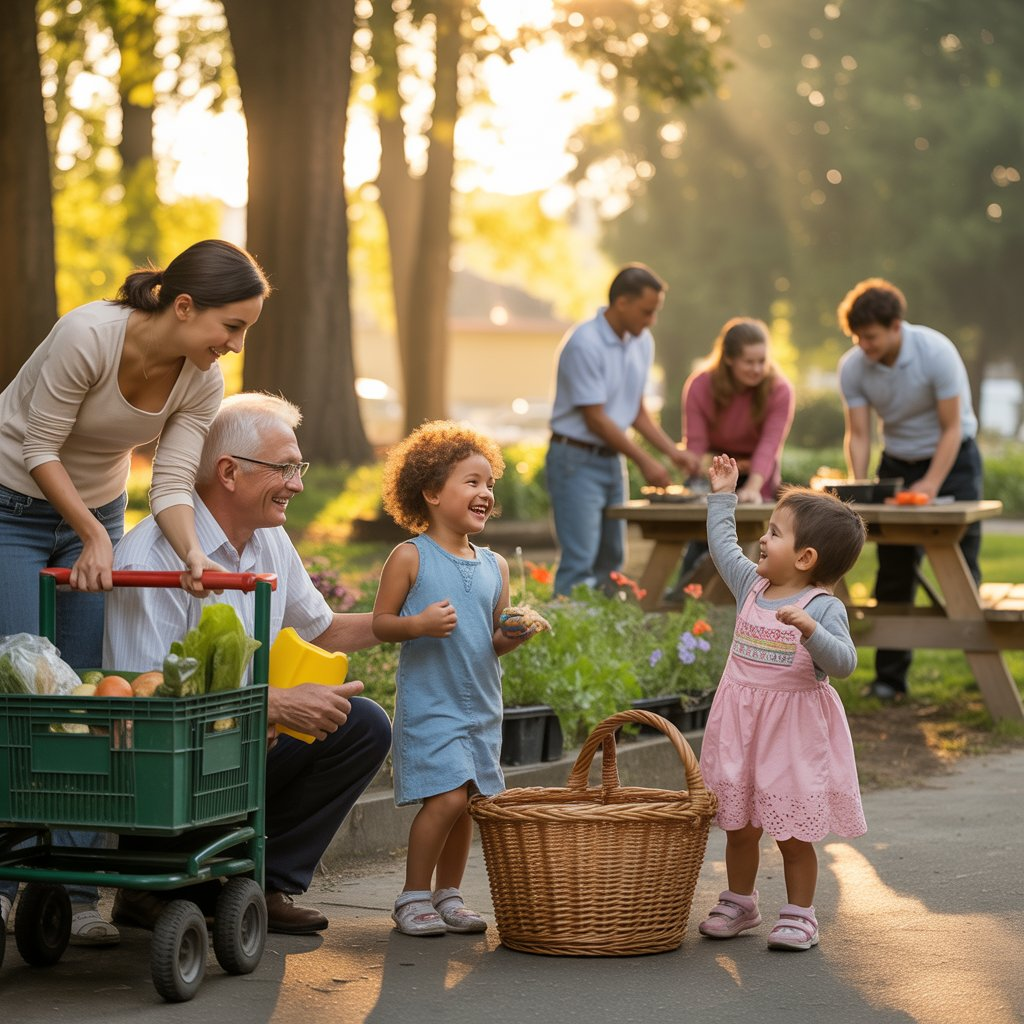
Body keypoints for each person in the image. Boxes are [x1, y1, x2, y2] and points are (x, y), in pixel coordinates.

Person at [0, 238, 270, 945]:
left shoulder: (199, 379)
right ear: (184, 306)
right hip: (13, 504)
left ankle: (81, 893)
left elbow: (173, 482)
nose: (234, 346)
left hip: (95, 511)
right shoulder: (87, 335)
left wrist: (189, 554)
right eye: (231, 326)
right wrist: (91, 535)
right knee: (26, 693)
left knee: (95, 695)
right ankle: (6, 883)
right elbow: (39, 447)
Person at [102, 393, 392, 935]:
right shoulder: (151, 557)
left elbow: (320, 627)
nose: (298, 482)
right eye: (284, 467)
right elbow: (146, 702)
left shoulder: (269, 536)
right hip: (170, 755)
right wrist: (275, 705)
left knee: (363, 726)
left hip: (241, 737)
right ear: (228, 472)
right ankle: (150, 883)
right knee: (250, 732)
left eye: (297, 467)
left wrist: (406, 623)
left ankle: (261, 883)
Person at [371, 421, 544, 937]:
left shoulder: (494, 566)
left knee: (467, 800)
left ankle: (449, 894)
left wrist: (513, 636)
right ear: (430, 492)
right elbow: (381, 624)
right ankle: (412, 896)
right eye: (471, 482)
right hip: (432, 703)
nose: (485, 493)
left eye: (490, 484)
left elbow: (493, 635)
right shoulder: (410, 556)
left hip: (480, 705)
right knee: (444, 798)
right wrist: (418, 625)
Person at [697, 454, 867, 952]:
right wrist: (723, 494)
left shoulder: (823, 608)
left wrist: (812, 632)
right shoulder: (753, 585)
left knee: (794, 834)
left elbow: (844, 664)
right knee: (740, 824)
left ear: (805, 558)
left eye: (774, 533)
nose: (762, 541)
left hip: (792, 738)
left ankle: (799, 914)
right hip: (742, 728)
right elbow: (721, 544)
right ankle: (740, 901)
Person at [837, 278, 983, 701]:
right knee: (894, 568)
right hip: (898, 461)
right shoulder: (853, 367)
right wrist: (858, 488)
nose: (864, 345)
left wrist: (932, 484)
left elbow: (952, 427)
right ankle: (889, 680)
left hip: (953, 460)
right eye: (858, 338)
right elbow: (859, 434)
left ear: (896, 325)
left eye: (872, 336)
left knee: (963, 563)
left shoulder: (936, 352)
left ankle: (980, 668)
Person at [545, 263, 696, 597]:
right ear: (622, 303)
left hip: (611, 460)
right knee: (580, 559)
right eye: (647, 311)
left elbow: (636, 411)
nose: (652, 321)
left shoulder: (641, 341)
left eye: (655, 312)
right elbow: (595, 418)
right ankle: (570, 634)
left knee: (613, 559)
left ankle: (603, 635)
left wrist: (673, 453)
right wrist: (645, 462)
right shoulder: (585, 344)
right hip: (575, 459)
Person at [666, 317, 795, 601]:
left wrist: (751, 485)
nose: (757, 369)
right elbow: (697, 448)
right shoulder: (700, 385)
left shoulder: (779, 390)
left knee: (743, 540)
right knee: (704, 537)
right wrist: (710, 470)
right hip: (712, 472)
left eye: (762, 360)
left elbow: (769, 447)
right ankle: (683, 600)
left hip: (758, 475)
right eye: (749, 362)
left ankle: (731, 604)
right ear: (729, 359)